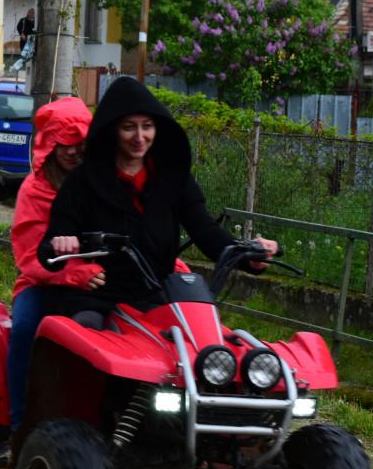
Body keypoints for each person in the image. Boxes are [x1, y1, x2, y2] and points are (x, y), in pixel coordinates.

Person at [39, 76, 276, 328]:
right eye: (129, 127)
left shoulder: (173, 178)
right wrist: (61, 243)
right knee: (85, 332)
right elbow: (49, 246)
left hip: (157, 294)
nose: (140, 136)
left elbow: (205, 230)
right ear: (113, 130)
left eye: (147, 126)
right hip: (98, 296)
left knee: (202, 337)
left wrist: (247, 255)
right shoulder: (82, 181)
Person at [0, 96, 98, 465]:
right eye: (63, 143)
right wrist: (78, 273)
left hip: (98, 283)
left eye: (78, 142)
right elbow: (30, 256)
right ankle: (18, 428)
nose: (72, 152)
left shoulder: (100, 183)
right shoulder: (34, 190)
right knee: (25, 328)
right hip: (43, 284)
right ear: (50, 145)